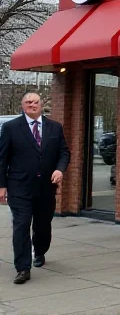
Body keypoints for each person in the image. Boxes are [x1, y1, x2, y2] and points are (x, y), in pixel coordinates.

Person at [0, 92, 70, 284]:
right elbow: (2, 159)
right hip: (19, 187)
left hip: (45, 188)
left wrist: (59, 169)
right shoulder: (10, 128)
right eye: (28, 102)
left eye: (36, 102)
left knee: (42, 225)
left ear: (41, 105)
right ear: (23, 106)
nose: (32, 105)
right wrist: (2, 186)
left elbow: (64, 153)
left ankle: (39, 250)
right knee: (21, 225)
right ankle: (22, 268)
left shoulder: (54, 127)